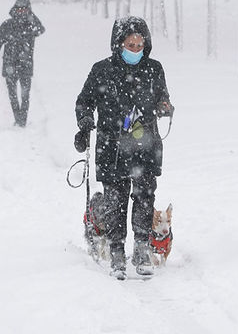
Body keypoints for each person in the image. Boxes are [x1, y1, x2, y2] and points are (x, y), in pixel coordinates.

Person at [74, 16, 174, 279]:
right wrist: (85, 123)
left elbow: (162, 95)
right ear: (118, 44)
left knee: (144, 198)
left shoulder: (154, 69)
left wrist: (165, 106)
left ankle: (141, 248)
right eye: (130, 45)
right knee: (115, 203)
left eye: (140, 45)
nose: (135, 50)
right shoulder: (101, 71)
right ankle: (117, 252)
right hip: (112, 148)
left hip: (145, 146)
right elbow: (84, 102)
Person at [0, 0, 45, 126]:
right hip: (9, 65)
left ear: (28, 10)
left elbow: (41, 30)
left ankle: (22, 120)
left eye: (24, 9)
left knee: (25, 95)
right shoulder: (7, 25)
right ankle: (17, 118)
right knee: (12, 94)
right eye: (19, 9)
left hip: (26, 65)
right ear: (14, 9)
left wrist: (32, 17)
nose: (21, 12)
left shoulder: (31, 25)